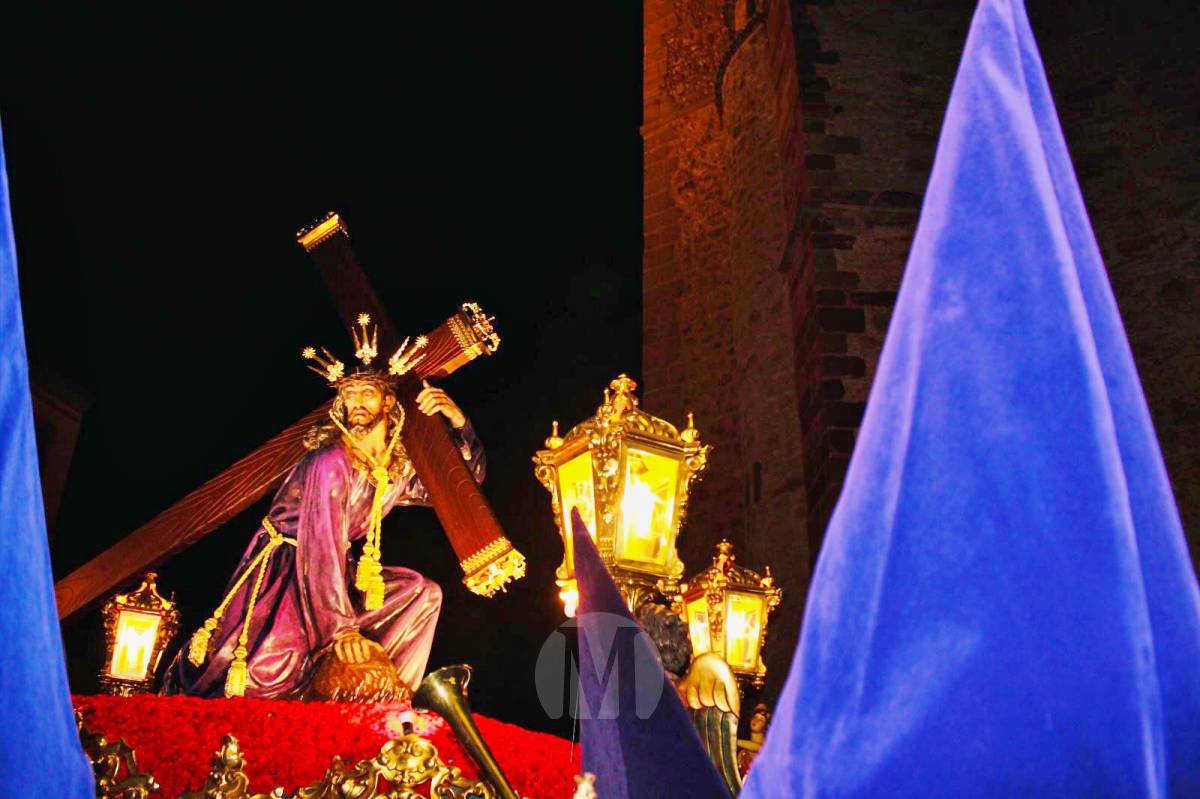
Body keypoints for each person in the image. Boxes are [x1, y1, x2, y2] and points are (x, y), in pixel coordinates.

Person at [162, 316, 484, 700]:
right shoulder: (330, 462)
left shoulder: (393, 470)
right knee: (267, 676)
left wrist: (459, 423)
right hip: (288, 570)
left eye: (367, 393)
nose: (356, 403)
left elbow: (459, 489)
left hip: (337, 573)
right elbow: (321, 543)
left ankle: (394, 701)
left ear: (389, 401)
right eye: (349, 395)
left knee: (422, 594)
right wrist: (341, 630)